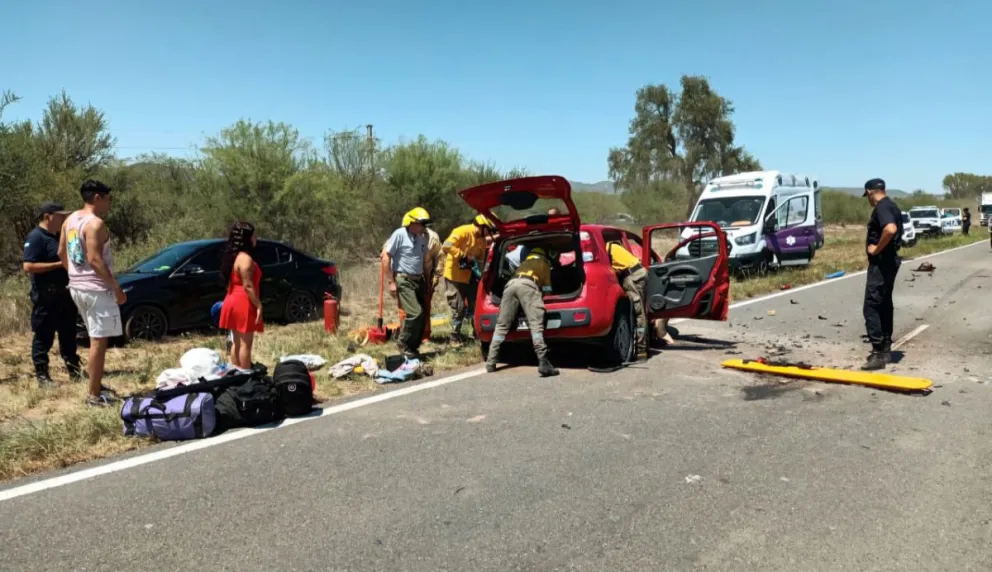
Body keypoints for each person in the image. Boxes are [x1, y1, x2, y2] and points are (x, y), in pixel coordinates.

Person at [60, 180, 125, 407]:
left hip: (77, 287)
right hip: (96, 290)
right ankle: (93, 396)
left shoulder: (70, 220)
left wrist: (75, 275)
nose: (109, 203)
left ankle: (95, 386)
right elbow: (95, 258)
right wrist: (115, 287)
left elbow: (62, 252)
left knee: (94, 337)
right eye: (108, 198)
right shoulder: (95, 224)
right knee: (99, 341)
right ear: (98, 197)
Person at [23, 201, 82, 387]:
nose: (64, 219)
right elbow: (28, 266)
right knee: (43, 337)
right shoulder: (36, 238)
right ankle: (42, 376)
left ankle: (75, 371)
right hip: (46, 297)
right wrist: (58, 265)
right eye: (60, 216)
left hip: (65, 295)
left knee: (69, 335)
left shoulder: (58, 236)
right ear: (48, 216)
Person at [485, 247, 559, 377]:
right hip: (529, 286)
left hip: (510, 286)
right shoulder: (544, 264)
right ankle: (543, 362)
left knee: (502, 326)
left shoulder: (523, 264)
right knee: (536, 325)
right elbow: (548, 290)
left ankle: (491, 362)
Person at [861, 178, 904, 371]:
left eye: (867, 196)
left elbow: (890, 229)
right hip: (890, 262)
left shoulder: (881, 207)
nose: (868, 199)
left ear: (870, 191)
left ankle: (878, 352)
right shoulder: (893, 206)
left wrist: (876, 249)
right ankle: (886, 347)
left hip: (882, 263)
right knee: (885, 303)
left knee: (871, 305)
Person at [382, 207, 432, 358]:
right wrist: (391, 282)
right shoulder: (399, 234)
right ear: (412, 222)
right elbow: (386, 257)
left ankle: (412, 348)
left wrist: (428, 281)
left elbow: (424, 262)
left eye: (425, 224)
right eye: (421, 223)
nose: (424, 227)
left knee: (423, 316)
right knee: (415, 313)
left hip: (419, 280)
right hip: (404, 279)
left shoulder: (422, 239)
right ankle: (402, 342)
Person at [219, 222, 264, 369]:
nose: (255, 238)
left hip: (231, 298)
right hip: (243, 302)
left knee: (236, 342)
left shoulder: (233, 257)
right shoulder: (246, 259)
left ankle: (237, 373)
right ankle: (245, 375)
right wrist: (258, 305)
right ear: (248, 239)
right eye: (253, 235)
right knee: (246, 344)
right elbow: (248, 285)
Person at [442, 214, 492, 342]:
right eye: (488, 229)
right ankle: (454, 337)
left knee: (476, 306)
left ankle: (476, 334)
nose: (488, 233)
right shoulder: (462, 231)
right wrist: (463, 255)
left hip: (471, 277)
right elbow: (446, 245)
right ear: (481, 226)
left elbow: (481, 259)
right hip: (454, 276)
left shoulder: (482, 240)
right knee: (458, 308)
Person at [605, 241, 649, 361]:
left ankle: (641, 350)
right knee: (640, 312)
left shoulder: (605, 251)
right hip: (637, 273)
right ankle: (643, 347)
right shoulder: (612, 247)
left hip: (633, 276)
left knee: (638, 313)